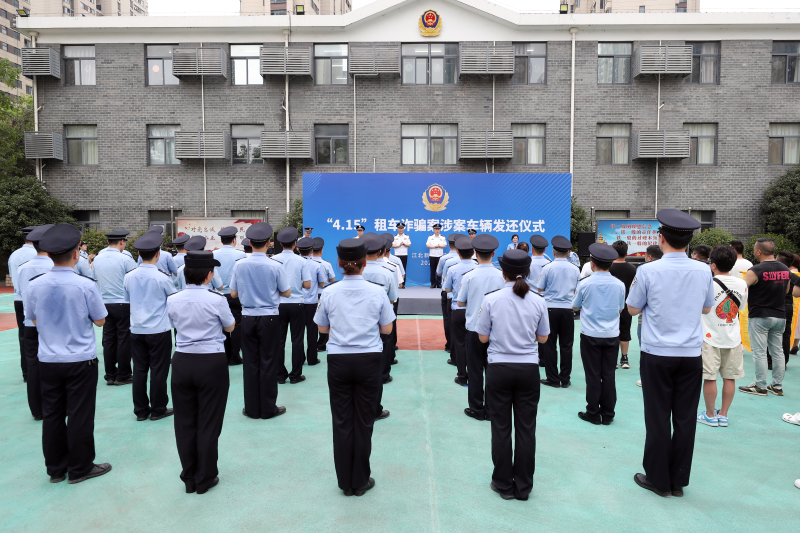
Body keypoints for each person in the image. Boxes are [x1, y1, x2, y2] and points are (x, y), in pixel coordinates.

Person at [626, 209, 714, 498]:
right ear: (688, 242)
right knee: (686, 417)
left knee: (658, 415)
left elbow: (633, 308)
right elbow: (705, 307)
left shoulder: (647, 270)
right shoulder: (703, 270)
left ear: (660, 238)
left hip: (657, 352)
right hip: (690, 353)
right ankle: (677, 481)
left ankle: (658, 479)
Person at [26, 223, 111, 485]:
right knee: (79, 413)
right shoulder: (84, 285)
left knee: (52, 414)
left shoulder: (34, 285)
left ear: (49, 255)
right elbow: (100, 321)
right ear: (76, 254)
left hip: (49, 359)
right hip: (80, 360)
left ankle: (55, 468)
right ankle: (80, 467)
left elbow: (33, 321)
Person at [313, 238, 395, 497]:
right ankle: (360, 480)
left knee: (342, 420)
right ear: (363, 264)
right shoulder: (377, 291)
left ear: (339, 264)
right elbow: (387, 329)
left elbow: (322, 329)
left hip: (339, 360)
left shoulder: (329, 292)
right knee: (363, 421)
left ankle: (344, 482)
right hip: (369, 359)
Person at [476, 249, 549, 501]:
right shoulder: (538, 300)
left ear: (502, 271)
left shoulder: (491, 299)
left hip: (499, 368)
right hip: (528, 369)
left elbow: (482, 337)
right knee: (526, 429)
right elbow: (543, 337)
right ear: (528, 272)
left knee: (501, 427)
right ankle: (524, 487)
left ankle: (503, 483)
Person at [167, 251, 235, 495]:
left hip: (182, 361)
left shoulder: (173, 299)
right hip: (211, 362)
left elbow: (173, 325)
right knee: (209, 422)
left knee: (184, 421)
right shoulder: (217, 299)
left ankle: (189, 476)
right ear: (209, 275)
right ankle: (205, 477)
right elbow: (229, 326)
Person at [230, 222, 290, 420]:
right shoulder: (275, 265)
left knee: (250, 362)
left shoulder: (239, 265)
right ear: (268, 243)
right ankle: (268, 408)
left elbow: (233, 293)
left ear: (250, 243)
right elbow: (287, 292)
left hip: (247, 316)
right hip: (270, 317)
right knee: (269, 361)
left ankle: (252, 408)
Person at [124, 232, 177, 422]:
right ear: (157, 254)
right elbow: (173, 300)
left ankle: (140, 410)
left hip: (136, 329)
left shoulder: (129, 277)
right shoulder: (162, 278)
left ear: (138, 254)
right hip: (158, 330)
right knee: (158, 370)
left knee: (139, 370)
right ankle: (158, 409)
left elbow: (127, 299)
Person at [571, 244, 625, 426]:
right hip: (611, 334)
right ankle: (608, 413)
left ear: (592, 263)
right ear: (610, 264)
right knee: (609, 374)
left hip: (590, 335)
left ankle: (593, 412)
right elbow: (619, 309)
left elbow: (575, 306)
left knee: (593, 374)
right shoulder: (619, 284)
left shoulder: (584, 283)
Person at [697, 245, 748, 428]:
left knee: (710, 377)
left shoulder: (707, 283)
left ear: (713, 265)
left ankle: (710, 414)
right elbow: (739, 309)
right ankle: (723, 415)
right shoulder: (742, 283)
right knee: (730, 378)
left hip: (709, 336)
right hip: (733, 337)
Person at [458, 235, 505, 421]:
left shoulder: (469, 276)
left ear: (475, 254)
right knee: (493, 368)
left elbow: (460, 302)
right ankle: (492, 408)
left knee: (475, 369)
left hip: (474, 328)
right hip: (496, 329)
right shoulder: (502, 275)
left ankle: (477, 409)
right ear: (494, 254)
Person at [738, 238, 792, 396]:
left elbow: (742, 289)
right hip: (780, 315)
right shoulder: (785, 269)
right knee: (778, 352)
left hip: (760, 316)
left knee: (760, 352)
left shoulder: (756, 270)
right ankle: (777, 385)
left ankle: (760, 385)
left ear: (759, 251)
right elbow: (787, 290)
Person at [17, 224, 55, 421]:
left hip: (30, 323)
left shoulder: (23, 268)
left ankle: (37, 410)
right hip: (53, 326)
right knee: (54, 365)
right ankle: (54, 406)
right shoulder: (53, 267)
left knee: (33, 366)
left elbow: (20, 292)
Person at [92, 229, 138, 386]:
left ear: (107, 242)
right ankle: (123, 374)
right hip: (123, 303)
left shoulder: (97, 259)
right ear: (122, 242)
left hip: (104, 303)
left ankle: (110, 374)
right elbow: (134, 280)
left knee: (109, 339)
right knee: (124, 339)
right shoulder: (125, 258)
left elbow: (94, 279)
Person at [536, 236, 580, 388]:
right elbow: (577, 289)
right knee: (566, 345)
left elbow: (540, 288)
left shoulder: (547, 268)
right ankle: (565, 379)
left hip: (550, 309)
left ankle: (553, 378)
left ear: (553, 252)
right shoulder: (575, 269)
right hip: (568, 309)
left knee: (550, 345)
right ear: (568, 253)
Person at [272, 227, 312, 385]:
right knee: (297, 340)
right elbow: (307, 285)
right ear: (295, 244)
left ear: (280, 243)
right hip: (297, 304)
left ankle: (280, 374)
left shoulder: (273, 259)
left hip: (278, 305)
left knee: (279, 341)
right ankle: (295, 375)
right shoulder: (302, 261)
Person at [362, 234, 398, 393]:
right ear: (381, 252)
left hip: (361, 316)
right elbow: (392, 299)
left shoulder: (358, 271)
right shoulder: (388, 272)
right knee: (384, 343)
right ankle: (383, 375)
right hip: (381, 315)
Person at [444, 237, 477, 386]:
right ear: (473, 252)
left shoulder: (453, 268)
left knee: (459, 343)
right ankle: (476, 375)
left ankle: (462, 376)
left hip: (458, 310)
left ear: (458, 252)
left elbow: (447, 289)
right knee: (475, 344)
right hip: (477, 310)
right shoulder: (477, 267)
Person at [213, 226, 247, 366]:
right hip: (236, 294)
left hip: (218, 294)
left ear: (221, 240)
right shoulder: (241, 255)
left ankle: (225, 355)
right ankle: (235, 356)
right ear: (234, 240)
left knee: (222, 324)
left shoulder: (213, 254)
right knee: (238, 325)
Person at [9, 225, 38, 383]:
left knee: (23, 335)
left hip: (18, 298)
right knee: (39, 335)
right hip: (34, 300)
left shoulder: (13, 255)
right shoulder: (38, 254)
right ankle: (39, 369)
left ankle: (26, 371)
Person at [635, 245, 664, 388]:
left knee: (646, 351)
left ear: (649, 257)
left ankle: (647, 379)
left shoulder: (644, 271)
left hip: (646, 321)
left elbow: (633, 307)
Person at [298, 237, 327, 367]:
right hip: (311, 302)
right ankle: (312, 358)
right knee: (312, 331)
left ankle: (299, 358)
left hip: (296, 301)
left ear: (298, 249)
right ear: (311, 251)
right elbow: (322, 283)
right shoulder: (317, 265)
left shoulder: (294, 262)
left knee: (297, 333)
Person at [609, 240, 638, 370]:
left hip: (610, 305)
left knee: (612, 331)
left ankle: (613, 359)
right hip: (627, 304)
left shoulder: (608, 268)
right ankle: (624, 358)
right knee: (625, 330)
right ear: (627, 253)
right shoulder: (633, 269)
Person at [312, 237, 336, 353]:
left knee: (311, 321)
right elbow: (332, 279)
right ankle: (322, 344)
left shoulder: (306, 263)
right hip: (323, 294)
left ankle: (312, 344)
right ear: (321, 251)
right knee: (324, 319)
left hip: (309, 295)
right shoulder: (326, 264)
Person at [437, 233, 460, 352]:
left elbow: (440, 274)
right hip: (464, 295)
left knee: (448, 319)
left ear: (449, 245)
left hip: (449, 293)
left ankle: (450, 345)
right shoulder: (473, 261)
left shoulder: (444, 259)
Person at [775, 250, 796, 368]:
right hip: (788, 306)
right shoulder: (792, 275)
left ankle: (772, 360)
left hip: (776, 306)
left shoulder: (774, 274)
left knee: (772, 333)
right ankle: (784, 362)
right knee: (785, 334)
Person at [426, 223, 447, 288]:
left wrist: (440, 246)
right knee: (432, 270)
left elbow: (445, 245)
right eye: (436, 229)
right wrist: (434, 246)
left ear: (440, 230)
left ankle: (439, 283)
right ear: (433, 230)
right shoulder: (430, 237)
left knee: (439, 270)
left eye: (438, 229)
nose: (437, 230)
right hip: (432, 255)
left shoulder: (442, 237)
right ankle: (433, 283)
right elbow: (427, 245)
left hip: (440, 256)